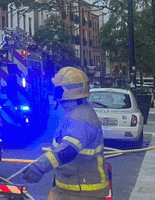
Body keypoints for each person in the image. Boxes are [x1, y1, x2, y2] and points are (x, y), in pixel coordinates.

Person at [22, 67, 109, 199]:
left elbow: (68, 150)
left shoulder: (82, 117)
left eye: (57, 89)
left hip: (84, 192)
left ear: (64, 91)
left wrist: (40, 167)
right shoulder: (73, 112)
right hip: (71, 188)